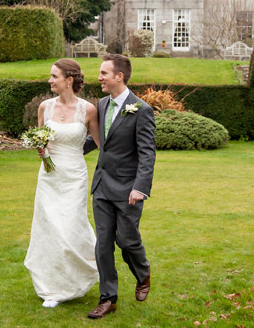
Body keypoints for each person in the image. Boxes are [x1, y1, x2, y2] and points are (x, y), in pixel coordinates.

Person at [83, 54, 156, 319]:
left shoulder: (142, 110)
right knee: (103, 244)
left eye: (104, 73)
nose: (99, 78)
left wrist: (140, 187)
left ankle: (142, 272)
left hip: (128, 189)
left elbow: (147, 154)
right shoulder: (101, 105)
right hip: (102, 186)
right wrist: (68, 152)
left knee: (126, 240)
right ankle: (108, 298)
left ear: (119, 77)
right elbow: (97, 138)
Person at [24, 58, 101, 308]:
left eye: (54, 76)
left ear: (69, 80)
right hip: (48, 176)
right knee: (50, 229)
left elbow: (101, 145)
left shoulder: (88, 110)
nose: (50, 81)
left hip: (74, 176)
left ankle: (88, 267)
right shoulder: (44, 108)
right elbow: (40, 140)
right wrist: (41, 149)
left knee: (70, 226)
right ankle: (53, 288)